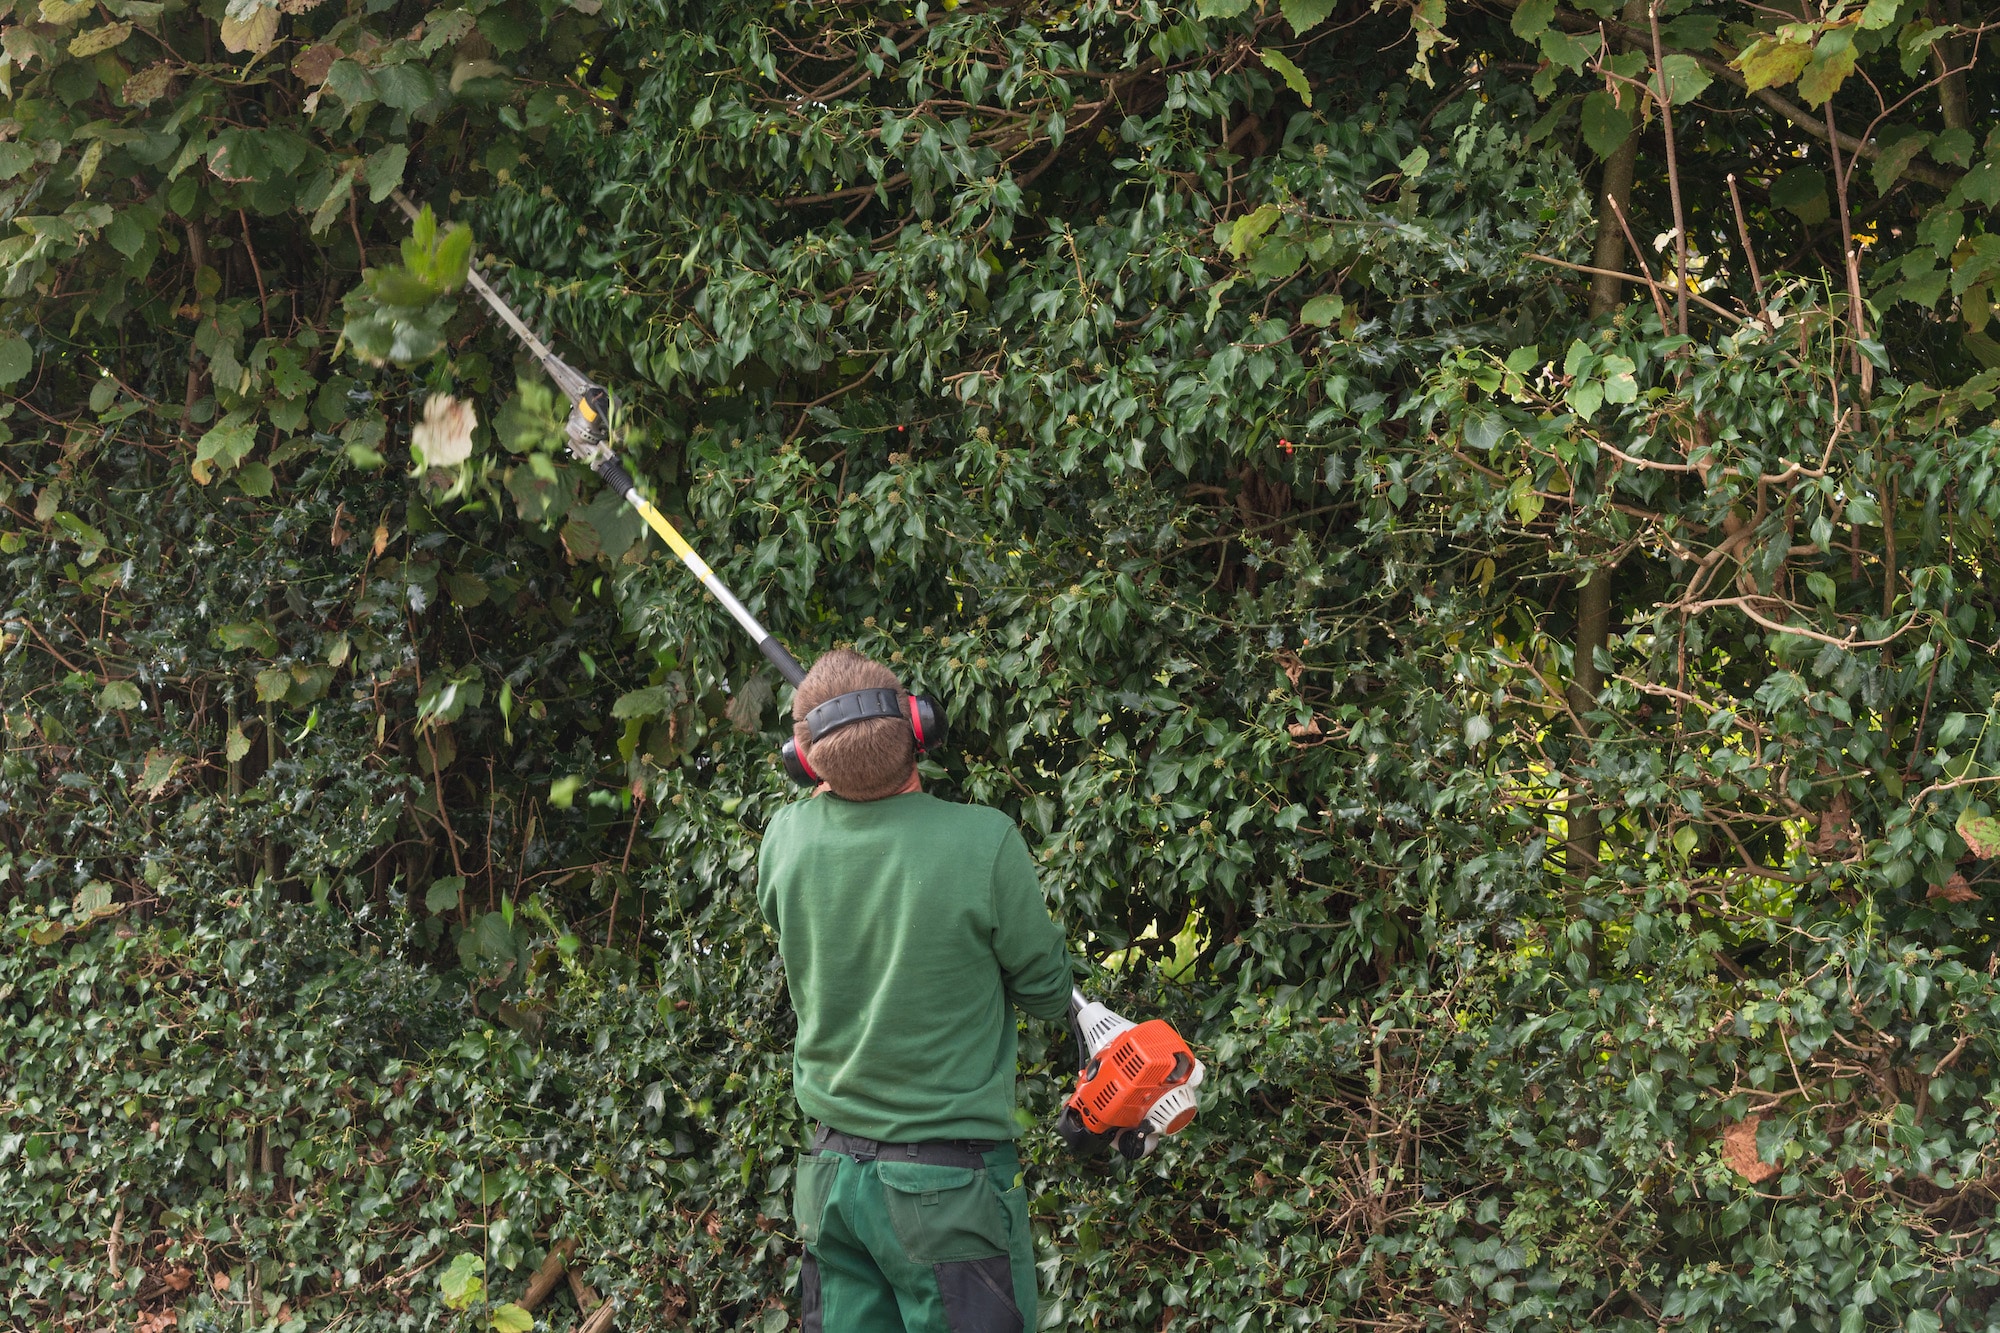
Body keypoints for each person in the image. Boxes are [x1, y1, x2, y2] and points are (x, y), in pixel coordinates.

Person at [756, 648, 1073, 1333]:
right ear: (919, 726)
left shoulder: (784, 841)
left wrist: (835, 764)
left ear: (803, 761)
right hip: (950, 1194)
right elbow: (1049, 994)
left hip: (833, 1179)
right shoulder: (984, 841)